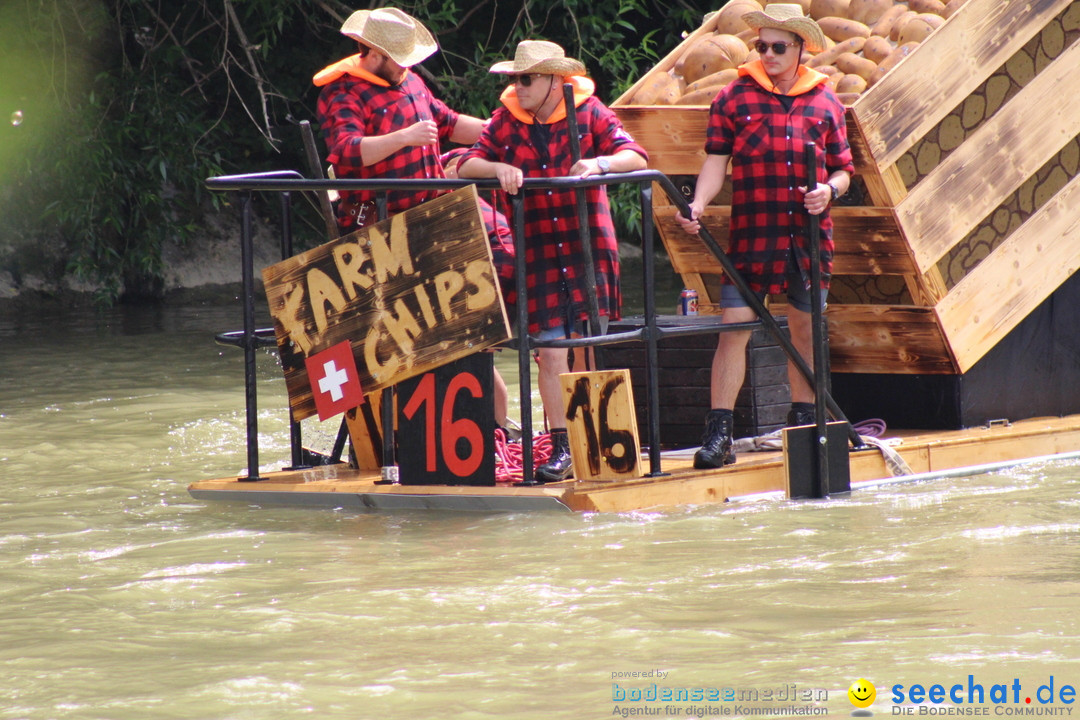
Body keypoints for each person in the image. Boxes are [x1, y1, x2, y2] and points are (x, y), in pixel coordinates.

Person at [458, 40, 648, 483]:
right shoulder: (507, 121)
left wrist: (600, 164)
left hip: (587, 248)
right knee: (549, 351)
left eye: (526, 78)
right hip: (539, 249)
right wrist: (497, 170)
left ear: (553, 80)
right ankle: (561, 447)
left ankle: (597, 443)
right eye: (514, 79)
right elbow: (467, 164)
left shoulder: (590, 111)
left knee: (586, 347)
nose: (517, 87)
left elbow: (636, 155)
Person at [674, 4, 854, 469]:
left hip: (807, 238)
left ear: (800, 49)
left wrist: (828, 190)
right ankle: (719, 436)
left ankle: (805, 425)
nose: (768, 54)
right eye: (762, 46)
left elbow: (844, 170)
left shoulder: (826, 101)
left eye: (778, 47)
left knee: (803, 330)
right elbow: (716, 161)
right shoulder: (733, 98)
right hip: (752, 236)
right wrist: (696, 204)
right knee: (732, 330)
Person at [313, 7, 486, 232]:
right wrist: (405, 137)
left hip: (428, 209)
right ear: (375, 55)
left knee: (475, 168)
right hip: (376, 221)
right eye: (400, 60)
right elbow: (347, 151)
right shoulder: (342, 93)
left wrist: (496, 130)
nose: (407, 66)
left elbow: (449, 123)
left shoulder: (410, 80)